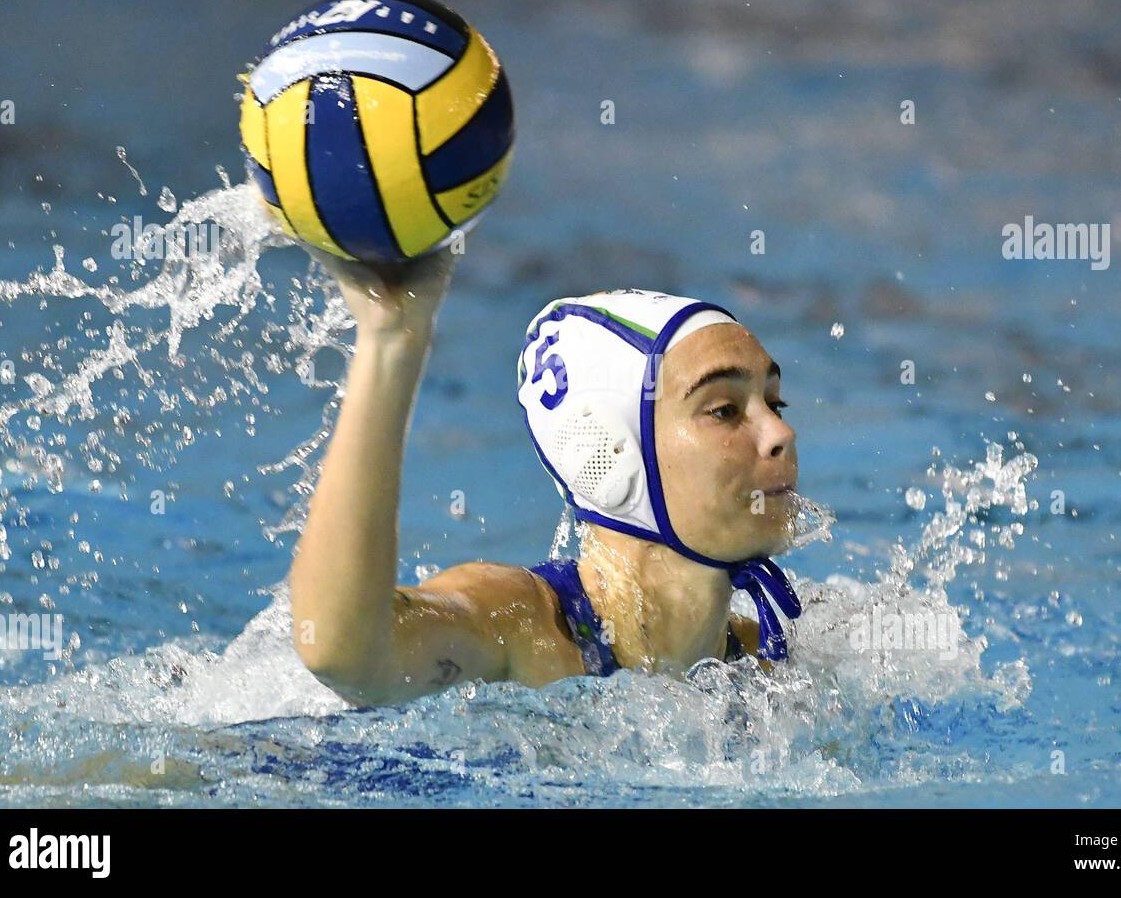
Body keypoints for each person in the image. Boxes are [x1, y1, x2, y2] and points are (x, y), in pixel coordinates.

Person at [288, 250, 801, 707]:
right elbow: (343, 652)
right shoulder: (522, 630)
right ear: (612, 454)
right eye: (724, 410)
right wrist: (390, 338)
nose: (779, 430)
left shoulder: (769, 666)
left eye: (774, 402)